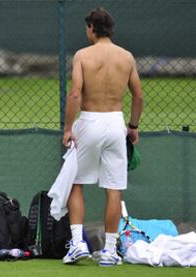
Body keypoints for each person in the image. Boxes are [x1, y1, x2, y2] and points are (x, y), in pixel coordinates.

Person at [61, 8, 143, 266]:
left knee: (75, 182)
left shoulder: (83, 55)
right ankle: (109, 251)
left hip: (89, 121)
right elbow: (138, 96)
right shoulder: (126, 56)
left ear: (91, 28)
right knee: (114, 188)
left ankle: (76, 244)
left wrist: (67, 128)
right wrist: (133, 126)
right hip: (116, 123)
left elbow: (75, 94)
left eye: (87, 28)